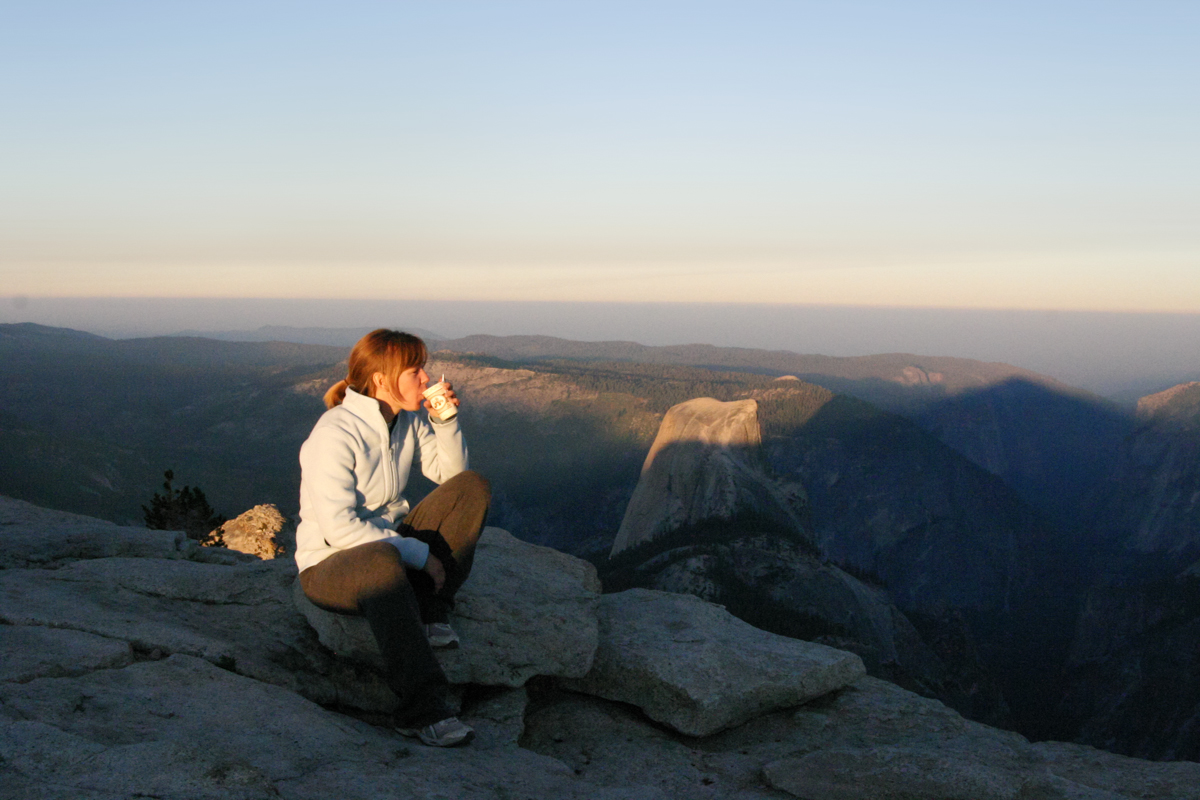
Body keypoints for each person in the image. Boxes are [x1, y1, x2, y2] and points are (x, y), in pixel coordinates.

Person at [295, 329, 490, 747]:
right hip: (331, 564)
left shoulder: (403, 422)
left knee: (473, 486)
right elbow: (339, 528)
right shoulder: (334, 434)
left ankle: (430, 609)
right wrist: (418, 553)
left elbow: (449, 479)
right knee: (381, 558)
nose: (426, 378)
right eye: (415, 370)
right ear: (383, 380)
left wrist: (445, 422)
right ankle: (422, 710)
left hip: (386, 547)